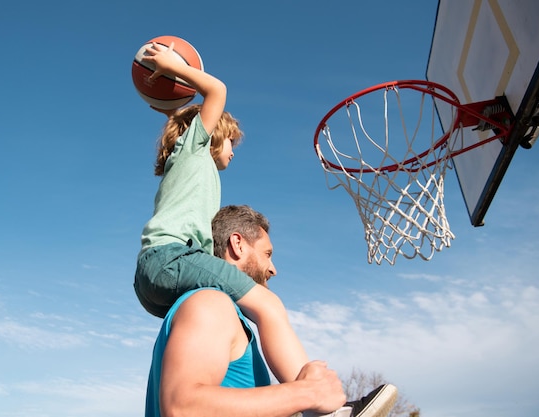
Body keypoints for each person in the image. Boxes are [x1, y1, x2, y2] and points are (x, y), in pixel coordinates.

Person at [134, 40, 313, 385]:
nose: (234, 151)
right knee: (268, 306)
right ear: (212, 134)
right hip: (171, 259)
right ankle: (317, 401)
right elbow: (216, 90)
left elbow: (179, 119)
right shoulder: (196, 151)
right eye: (232, 141)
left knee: (226, 314)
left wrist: (166, 102)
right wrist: (175, 67)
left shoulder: (185, 162)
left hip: (152, 282)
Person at [143, 205, 398, 417]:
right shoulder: (210, 303)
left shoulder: (224, 316)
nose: (273, 268)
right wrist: (307, 393)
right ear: (237, 244)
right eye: (267, 254)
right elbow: (182, 407)